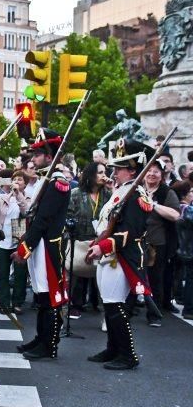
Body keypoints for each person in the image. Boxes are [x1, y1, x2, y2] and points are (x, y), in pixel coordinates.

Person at [85, 139, 155, 370]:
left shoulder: (137, 195)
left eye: (120, 168)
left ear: (133, 169)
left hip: (121, 256)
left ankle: (127, 354)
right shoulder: (122, 191)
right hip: (109, 256)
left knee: (116, 307)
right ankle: (113, 348)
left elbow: (129, 232)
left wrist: (102, 246)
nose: (114, 172)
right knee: (109, 305)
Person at [13, 128, 70, 360]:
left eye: (37, 155)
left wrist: (24, 249)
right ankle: (41, 338)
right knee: (40, 295)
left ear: (49, 156)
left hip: (47, 246)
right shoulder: (44, 181)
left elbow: (43, 221)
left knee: (48, 296)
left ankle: (49, 345)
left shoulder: (57, 183)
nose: (33, 159)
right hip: (39, 245)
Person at [67, 161, 111, 318]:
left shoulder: (108, 194)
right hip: (80, 241)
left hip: (101, 241)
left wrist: (112, 189)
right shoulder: (76, 193)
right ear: (90, 174)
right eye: (99, 172)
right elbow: (68, 216)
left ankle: (105, 313)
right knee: (74, 275)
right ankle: (70, 307)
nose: (103, 176)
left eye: (104, 172)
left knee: (103, 279)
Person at [141, 153, 181, 326]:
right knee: (129, 277)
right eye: (149, 170)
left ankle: (154, 314)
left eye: (156, 171)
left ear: (162, 174)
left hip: (156, 243)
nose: (151, 174)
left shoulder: (167, 192)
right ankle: (125, 312)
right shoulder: (136, 189)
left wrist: (154, 205)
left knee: (155, 280)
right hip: (134, 241)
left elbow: (175, 215)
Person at [0, 169, 29, 314]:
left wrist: (18, 193)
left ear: (25, 184)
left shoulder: (27, 197)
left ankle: (18, 302)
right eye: (14, 179)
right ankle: (4, 303)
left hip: (19, 239)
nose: (17, 182)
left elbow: (26, 210)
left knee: (20, 273)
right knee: (3, 273)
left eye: (20, 180)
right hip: (2, 240)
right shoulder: (3, 197)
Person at [172, 180, 193, 319]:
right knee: (190, 279)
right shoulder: (186, 209)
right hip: (189, 250)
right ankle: (189, 309)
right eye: (191, 192)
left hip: (185, 249)